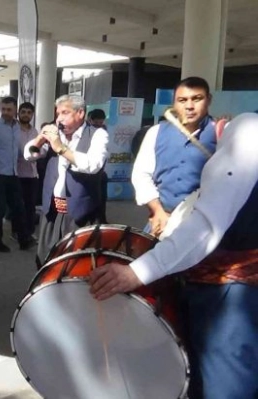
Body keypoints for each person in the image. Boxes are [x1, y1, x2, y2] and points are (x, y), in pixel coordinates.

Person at [90, 112, 258, 399]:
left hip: (232, 293)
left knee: (225, 385)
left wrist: (135, 272)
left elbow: (206, 225)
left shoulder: (246, 131)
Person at [24, 95, 109, 264]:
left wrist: (61, 148)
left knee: (77, 262)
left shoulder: (98, 135)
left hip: (81, 211)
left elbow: (93, 165)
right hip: (54, 206)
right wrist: (40, 139)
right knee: (46, 260)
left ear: (80, 113)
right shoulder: (57, 134)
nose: (59, 118)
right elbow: (29, 155)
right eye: (58, 114)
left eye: (65, 112)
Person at [131, 77, 216, 237]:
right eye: (182, 100)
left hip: (206, 228)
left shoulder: (223, 133)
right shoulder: (156, 132)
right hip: (163, 222)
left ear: (209, 100)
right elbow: (141, 174)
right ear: (174, 103)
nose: (189, 106)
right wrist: (157, 210)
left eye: (197, 99)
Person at [0, 96, 31, 252]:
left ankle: (24, 240)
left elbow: (19, 148)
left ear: (15, 109)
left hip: (13, 173)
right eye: (3, 109)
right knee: (0, 208)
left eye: (9, 109)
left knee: (19, 207)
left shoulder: (17, 128)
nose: (6, 112)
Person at [16, 102, 40, 243]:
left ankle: (29, 233)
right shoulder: (14, 130)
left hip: (31, 173)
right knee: (19, 206)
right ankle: (18, 232)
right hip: (17, 173)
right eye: (23, 112)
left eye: (29, 112)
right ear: (18, 113)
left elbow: (38, 148)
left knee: (31, 206)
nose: (26, 115)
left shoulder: (35, 131)